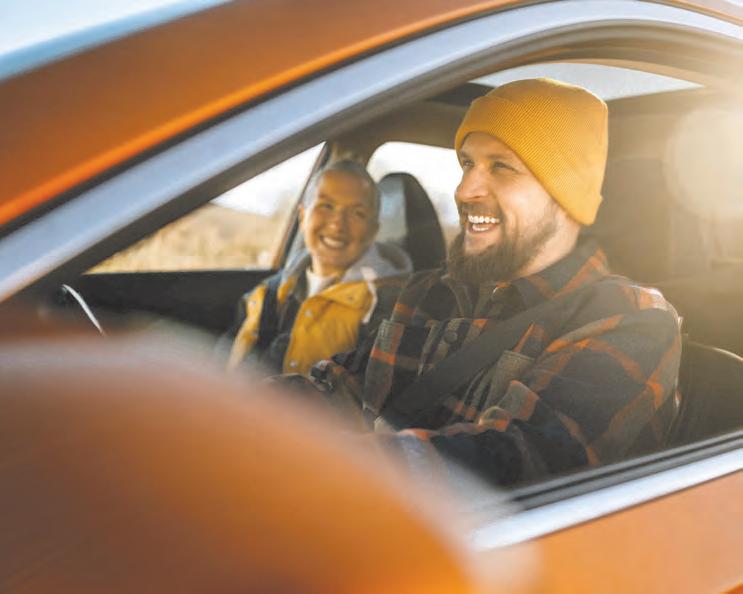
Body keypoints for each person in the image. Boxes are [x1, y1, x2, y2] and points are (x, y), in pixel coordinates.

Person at [304, 79, 682, 486]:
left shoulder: (631, 321)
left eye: (502, 167)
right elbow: (338, 389)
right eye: (467, 164)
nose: (464, 190)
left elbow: (510, 462)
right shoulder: (427, 292)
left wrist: (314, 466)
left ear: (565, 193)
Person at [228, 160, 412, 375]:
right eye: (326, 206)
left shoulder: (389, 308)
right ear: (302, 216)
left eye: (357, 213)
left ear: (373, 230)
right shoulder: (267, 293)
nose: (337, 224)